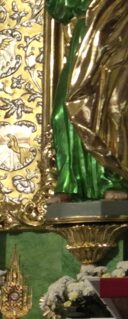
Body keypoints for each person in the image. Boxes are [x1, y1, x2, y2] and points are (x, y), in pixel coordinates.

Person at [50, 0, 128, 200]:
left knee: (106, 109)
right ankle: (71, 183)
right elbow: (59, 10)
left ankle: (113, 179)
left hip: (114, 33)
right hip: (84, 40)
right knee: (61, 113)